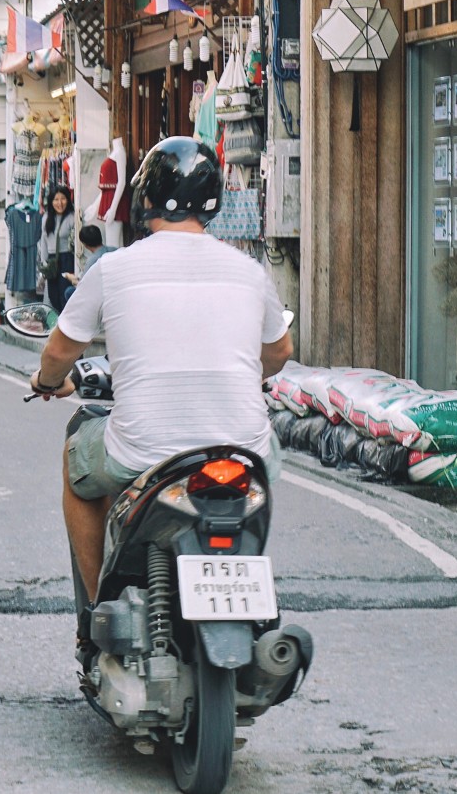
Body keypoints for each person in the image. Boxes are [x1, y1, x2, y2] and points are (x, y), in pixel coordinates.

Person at [29, 137, 293, 606]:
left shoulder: (114, 268)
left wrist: (49, 382)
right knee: (266, 450)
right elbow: (277, 353)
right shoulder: (249, 270)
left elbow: (58, 352)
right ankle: (239, 579)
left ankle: (96, 612)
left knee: (77, 464)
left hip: (142, 453)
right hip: (243, 452)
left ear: (145, 199)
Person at [38, 186, 79, 312]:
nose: (60, 203)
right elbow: (43, 241)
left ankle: (66, 326)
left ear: (68, 200)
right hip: (51, 262)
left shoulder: (72, 218)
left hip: (66, 259)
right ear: (51, 201)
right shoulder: (46, 218)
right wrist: (44, 264)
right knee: (53, 295)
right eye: (56, 199)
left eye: (63, 199)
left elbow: (77, 243)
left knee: (65, 295)